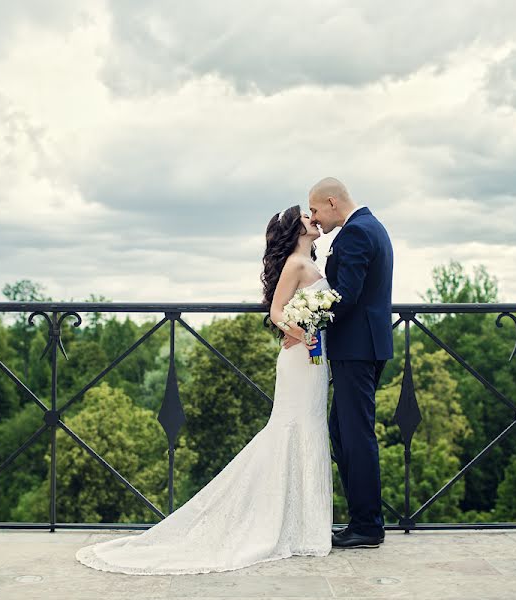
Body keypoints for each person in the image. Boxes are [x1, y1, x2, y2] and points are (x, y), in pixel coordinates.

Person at [76, 206, 333, 575]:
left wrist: (312, 335)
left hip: (314, 360)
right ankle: (289, 526)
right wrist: (303, 335)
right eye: (307, 217)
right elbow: (277, 313)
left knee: (309, 429)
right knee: (291, 430)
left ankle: (307, 526)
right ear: (296, 228)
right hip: (300, 358)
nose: (314, 220)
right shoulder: (295, 263)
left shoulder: (308, 262)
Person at [300, 177, 394, 549]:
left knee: (356, 436)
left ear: (331, 202)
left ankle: (368, 526)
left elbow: (347, 295)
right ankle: (362, 519)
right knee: (344, 430)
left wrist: (308, 315)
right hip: (365, 346)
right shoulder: (371, 226)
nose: (315, 219)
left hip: (356, 348)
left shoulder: (356, 232)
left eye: (316, 210)